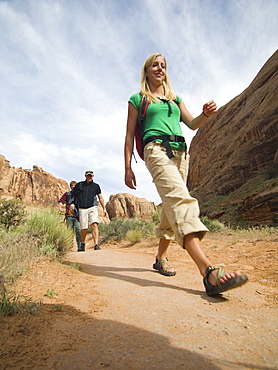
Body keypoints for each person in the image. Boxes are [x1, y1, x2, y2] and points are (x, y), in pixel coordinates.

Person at [124, 53, 248, 296]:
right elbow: (129, 135)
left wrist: (206, 114)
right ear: (146, 71)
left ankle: (160, 257)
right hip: (155, 150)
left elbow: (192, 124)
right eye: (155, 65)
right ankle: (208, 272)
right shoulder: (137, 99)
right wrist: (128, 166)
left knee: (172, 207)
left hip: (181, 154)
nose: (160, 68)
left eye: (163, 65)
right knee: (180, 201)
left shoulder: (174, 99)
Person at [71, 170, 107, 252]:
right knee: (84, 228)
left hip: (93, 207)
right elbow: (73, 195)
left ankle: (96, 244)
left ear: (93, 176)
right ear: (85, 176)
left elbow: (100, 197)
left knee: (94, 224)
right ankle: (83, 244)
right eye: (88, 175)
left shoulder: (96, 186)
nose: (89, 177)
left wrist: (104, 208)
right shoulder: (80, 185)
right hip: (82, 208)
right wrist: (72, 203)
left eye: (91, 175)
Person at [58, 181, 82, 252]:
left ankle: (80, 247)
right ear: (70, 186)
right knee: (69, 231)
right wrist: (60, 207)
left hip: (77, 216)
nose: (73, 186)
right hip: (69, 216)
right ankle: (69, 247)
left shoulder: (79, 195)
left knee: (78, 231)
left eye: (75, 185)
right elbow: (61, 201)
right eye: (72, 185)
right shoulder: (67, 194)